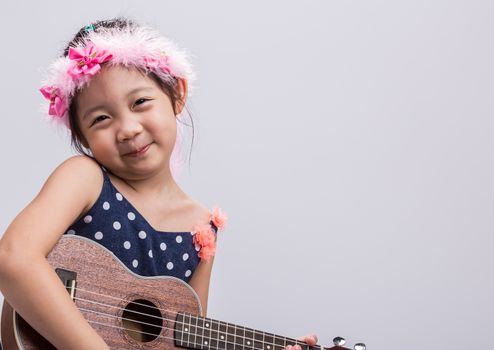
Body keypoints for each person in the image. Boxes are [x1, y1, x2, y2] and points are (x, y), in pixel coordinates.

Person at [0, 18, 317, 349]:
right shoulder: (85, 179)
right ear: (81, 137)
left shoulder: (201, 229)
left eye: (140, 102)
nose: (128, 129)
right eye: (101, 119)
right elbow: (14, 258)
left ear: (176, 94)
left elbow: (184, 342)